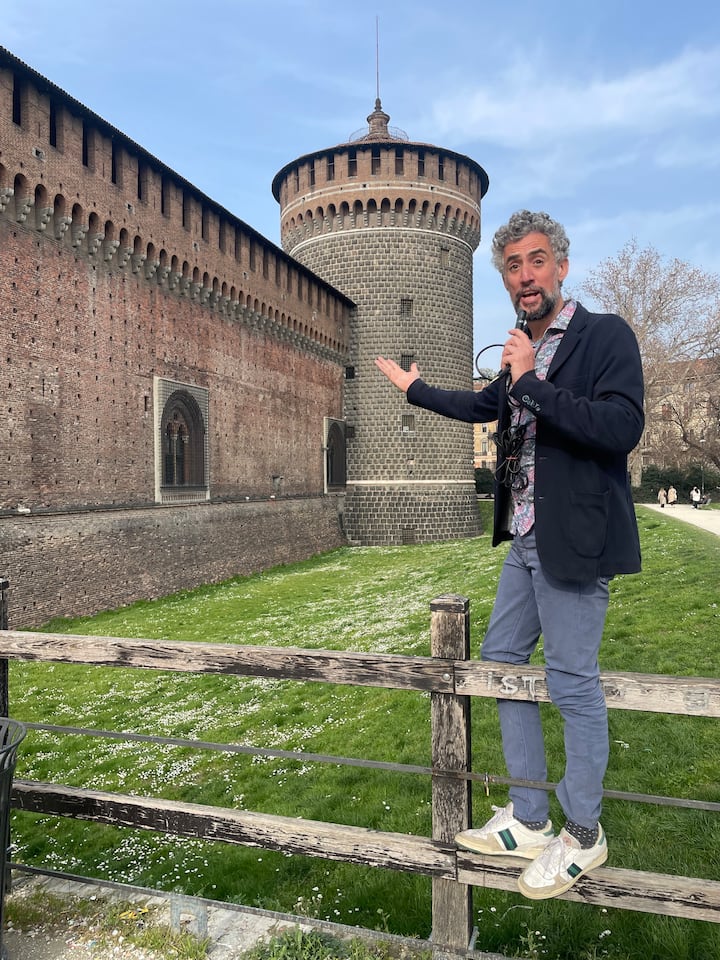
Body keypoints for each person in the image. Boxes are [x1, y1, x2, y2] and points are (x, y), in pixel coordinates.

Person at [375, 210, 644, 900]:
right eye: (513, 267)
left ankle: (583, 832)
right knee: (499, 662)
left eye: (536, 260)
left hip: (574, 539)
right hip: (525, 538)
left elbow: (620, 427)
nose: (526, 276)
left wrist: (529, 384)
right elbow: (482, 407)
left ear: (561, 266)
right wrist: (413, 390)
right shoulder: (523, 346)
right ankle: (528, 816)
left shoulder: (603, 335)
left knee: (573, 683)